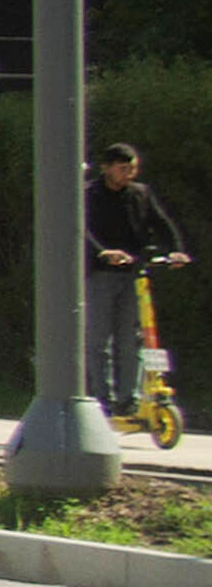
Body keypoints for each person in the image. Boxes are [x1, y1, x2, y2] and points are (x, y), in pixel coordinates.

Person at [85, 143, 189, 415]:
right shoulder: (90, 194)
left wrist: (175, 250)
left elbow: (161, 223)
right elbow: (81, 230)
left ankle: (128, 398)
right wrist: (103, 253)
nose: (129, 173)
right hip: (101, 275)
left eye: (132, 168)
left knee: (132, 338)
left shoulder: (140, 194)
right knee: (100, 340)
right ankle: (102, 399)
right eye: (123, 168)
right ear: (106, 168)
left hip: (133, 273)